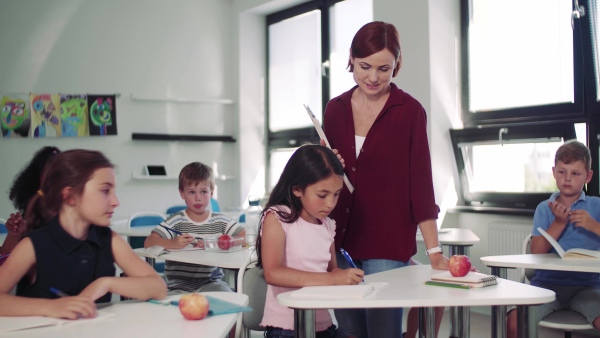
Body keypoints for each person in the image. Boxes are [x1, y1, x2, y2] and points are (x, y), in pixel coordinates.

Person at [322, 21, 449, 337]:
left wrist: (434, 252)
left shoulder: (410, 112)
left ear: (397, 65)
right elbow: (321, 182)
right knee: (350, 330)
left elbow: (420, 186)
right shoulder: (335, 109)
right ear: (351, 58)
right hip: (338, 239)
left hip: (387, 242)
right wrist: (326, 164)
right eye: (365, 66)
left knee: (383, 331)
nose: (373, 77)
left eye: (384, 68)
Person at [0, 149, 167, 318]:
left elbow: (158, 287)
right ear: (71, 196)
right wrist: (51, 307)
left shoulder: (109, 239)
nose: (116, 202)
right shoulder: (33, 245)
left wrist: (106, 283)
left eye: (113, 192)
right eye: (104, 191)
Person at [257, 144, 364, 338]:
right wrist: (331, 279)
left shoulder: (327, 225)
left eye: (337, 194)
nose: (330, 203)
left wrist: (345, 277)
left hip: (323, 325)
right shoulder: (278, 217)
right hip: (287, 328)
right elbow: (273, 273)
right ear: (297, 189)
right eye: (322, 195)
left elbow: (332, 271)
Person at [506, 140, 600, 338]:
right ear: (553, 171)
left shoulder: (596, 206)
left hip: (589, 287)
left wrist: (593, 225)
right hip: (545, 285)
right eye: (562, 172)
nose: (567, 178)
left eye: (575, 173)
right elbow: (536, 253)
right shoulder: (544, 208)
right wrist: (558, 223)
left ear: (588, 176)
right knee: (513, 322)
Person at [144, 161, 244, 293]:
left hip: (211, 284)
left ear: (211, 192)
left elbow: (244, 237)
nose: (198, 198)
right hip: (178, 287)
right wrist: (172, 243)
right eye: (191, 192)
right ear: (182, 193)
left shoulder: (219, 221)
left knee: (232, 299)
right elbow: (149, 242)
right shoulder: (176, 220)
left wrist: (216, 242)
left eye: (203, 191)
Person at [1, 146, 60, 256]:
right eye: (48, 177)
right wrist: (14, 234)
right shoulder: (29, 216)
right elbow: (4, 257)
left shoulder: (74, 219)